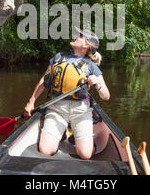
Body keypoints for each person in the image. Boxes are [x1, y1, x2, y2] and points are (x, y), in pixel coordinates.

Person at [23, 27, 110, 160]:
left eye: (80, 35)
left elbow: (106, 96)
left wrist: (97, 82)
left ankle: (77, 136)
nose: (75, 35)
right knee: (46, 150)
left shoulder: (92, 66)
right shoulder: (58, 58)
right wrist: (31, 102)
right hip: (57, 108)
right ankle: (61, 133)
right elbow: (43, 82)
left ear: (87, 44)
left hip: (80, 111)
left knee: (85, 154)